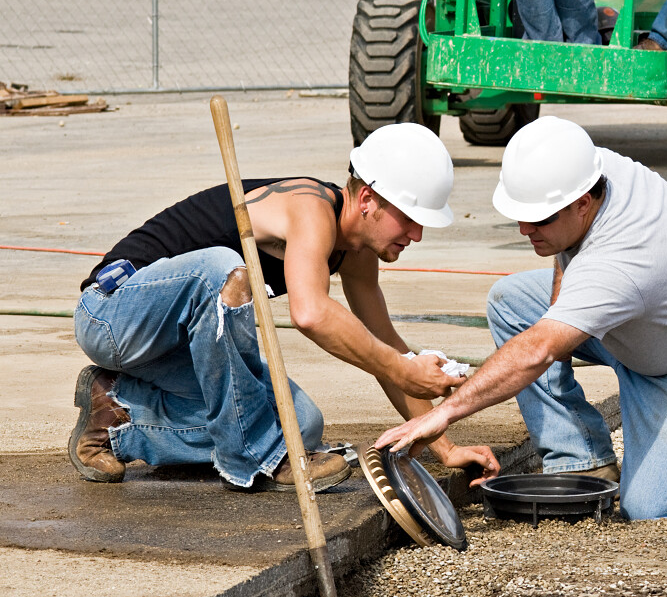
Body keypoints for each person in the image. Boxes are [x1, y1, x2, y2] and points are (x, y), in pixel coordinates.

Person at [375, 116, 667, 519]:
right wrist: (556, 317)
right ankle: (580, 458)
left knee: (649, 508)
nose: (525, 228)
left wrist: (441, 413)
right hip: (644, 325)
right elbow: (567, 254)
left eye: (540, 219)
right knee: (512, 302)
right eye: (520, 214)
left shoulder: (624, 259)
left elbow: (539, 350)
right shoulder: (584, 166)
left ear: (583, 204)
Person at [70, 123, 499, 492]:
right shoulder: (310, 209)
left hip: (179, 348)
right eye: (409, 217)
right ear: (368, 198)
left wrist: (444, 445)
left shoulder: (358, 251)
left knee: (299, 426)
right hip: (114, 315)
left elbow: (384, 348)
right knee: (222, 269)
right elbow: (310, 312)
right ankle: (252, 459)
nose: (417, 234)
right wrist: (403, 368)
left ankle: (116, 419)